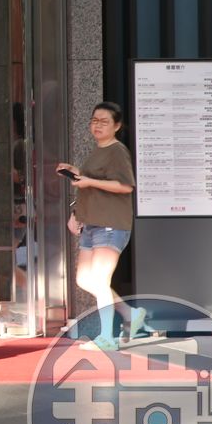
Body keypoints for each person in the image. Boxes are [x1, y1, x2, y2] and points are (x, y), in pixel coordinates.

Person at [57, 101, 140, 351]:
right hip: (92, 223)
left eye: (104, 121)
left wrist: (89, 181)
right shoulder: (98, 151)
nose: (98, 126)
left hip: (111, 224)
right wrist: (76, 174)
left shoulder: (117, 151)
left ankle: (107, 337)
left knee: (100, 279)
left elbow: (125, 186)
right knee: (85, 279)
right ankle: (130, 314)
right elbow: (92, 185)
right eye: (94, 120)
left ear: (117, 126)